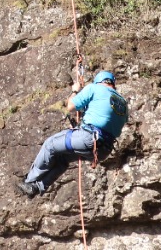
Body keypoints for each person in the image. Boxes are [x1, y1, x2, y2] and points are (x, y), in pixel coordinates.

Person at [17, 70, 128, 198]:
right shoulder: (123, 103)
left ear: (98, 81)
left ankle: (29, 181)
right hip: (103, 150)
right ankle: (37, 187)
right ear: (112, 83)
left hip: (88, 138)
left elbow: (71, 106)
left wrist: (75, 91)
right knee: (63, 159)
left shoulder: (94, 88)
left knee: (50, 144)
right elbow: (107, 119)